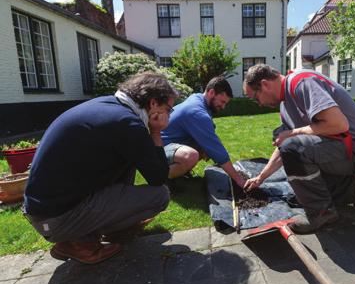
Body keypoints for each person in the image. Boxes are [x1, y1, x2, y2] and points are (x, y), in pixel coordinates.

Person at [23, 72, 176, 264]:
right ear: (153, 103)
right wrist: (155, 132)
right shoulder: (127, 123)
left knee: (126, 160)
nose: (169, 115)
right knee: (160, 195)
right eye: (169, 109)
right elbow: (158, 178)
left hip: (43, 211)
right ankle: (81, 244)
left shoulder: (108, 106)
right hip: (56, 219)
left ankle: (105, 230)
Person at [243, 64, 355, 234]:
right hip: (341, 147)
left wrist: (293, 133)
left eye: (256, 98)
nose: (259, 104)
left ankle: (322, 213)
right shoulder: (285, 106)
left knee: (293, 147)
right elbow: (284, 147)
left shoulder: (302, 82)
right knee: (288, 147)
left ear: (265, 85)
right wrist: (261, 177)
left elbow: (338, 124)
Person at [161, 76, 247, 189]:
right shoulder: (196, 112)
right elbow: (217, 150)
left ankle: (178, 173)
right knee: (191, 156)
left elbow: (210, 134)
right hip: (159, 150)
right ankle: (161, 180)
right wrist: (239, 180)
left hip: (171, 144)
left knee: (204, 148)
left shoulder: (198, 99)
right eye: (222, 101)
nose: (223, 106)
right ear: (211, 92)